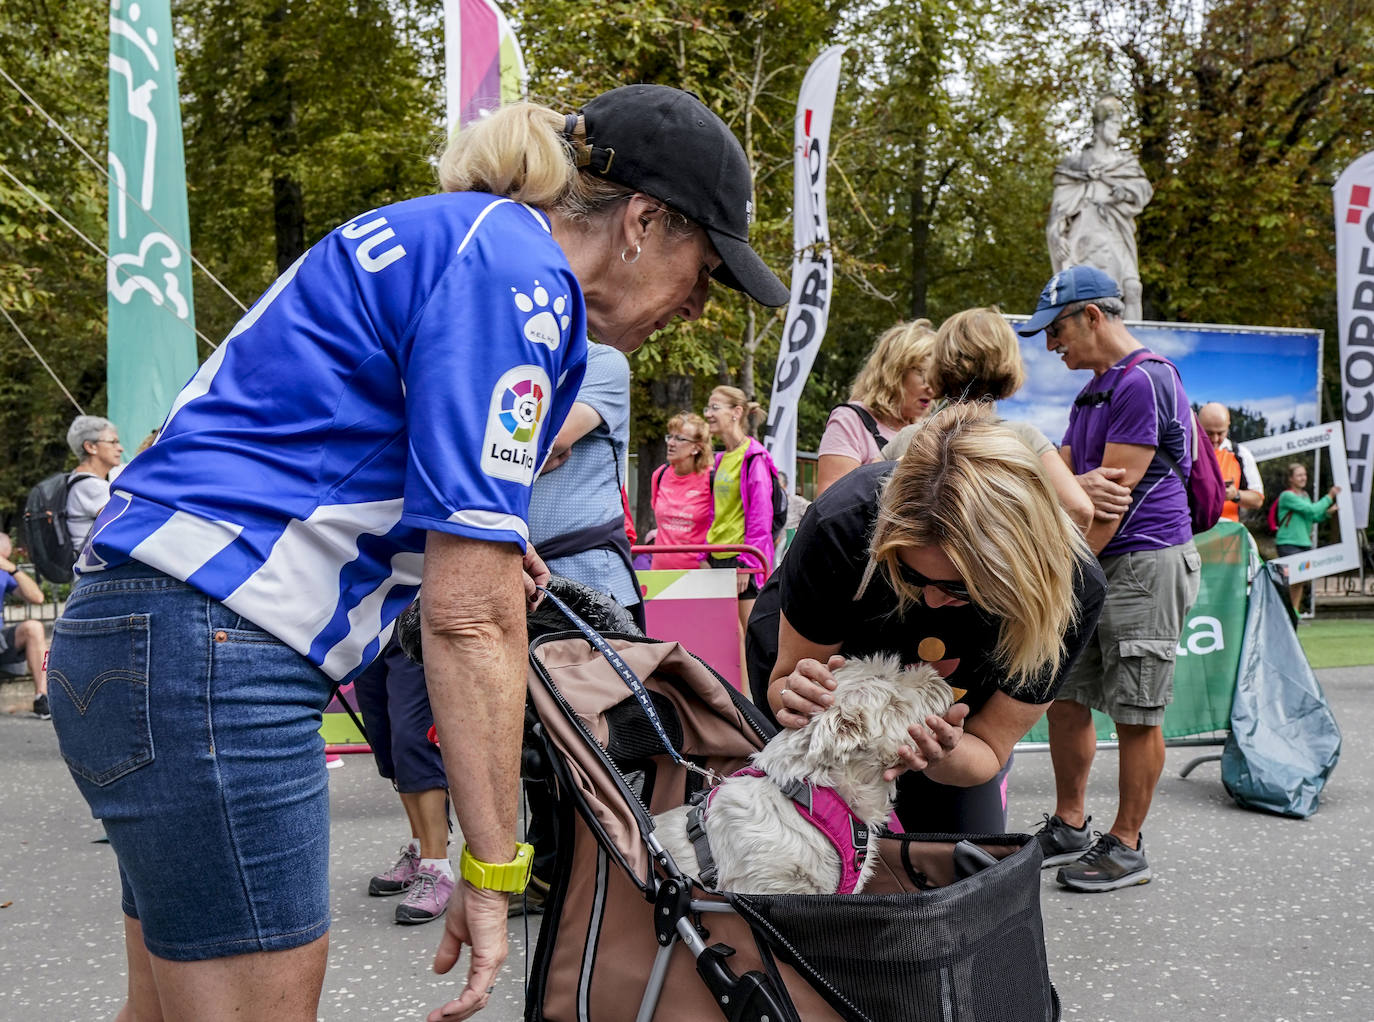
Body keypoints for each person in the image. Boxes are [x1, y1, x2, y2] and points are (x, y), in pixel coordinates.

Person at [47, 83, 787, 1022]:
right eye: (707, 270)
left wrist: (480, 538)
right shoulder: (521, 278)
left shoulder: (460, 235)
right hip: (213, 649)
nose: (695, 310)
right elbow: (470, 616)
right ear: (642, 222)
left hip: (141, 630)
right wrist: (491, 862)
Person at [746, 403, 1105, 834]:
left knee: (961, 868)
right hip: (840, 652)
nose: (932, 600)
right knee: (800, 848)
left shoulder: (1072, 587)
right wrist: (796, 695)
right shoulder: (842, 523)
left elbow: (988, 750)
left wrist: (944, 756)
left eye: (961, 588)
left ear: (1019, 572)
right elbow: (785, 683)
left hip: (953, 725)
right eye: (911, 575)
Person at [1016, 265, 1201, 893]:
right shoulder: (1094, 388)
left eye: (1057, 329)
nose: (1050, 344)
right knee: (1065, 696)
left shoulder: (1144, 381)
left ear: (1093, 316)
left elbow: (1108, 501)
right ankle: (1069, 825)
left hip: (1145, 561)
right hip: (1098, 561)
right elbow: (1063, 479)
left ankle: (1126, 843)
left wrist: (1064, 574)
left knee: (1136, 711)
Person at [889, 306, 1095, 532]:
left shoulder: (910, 439)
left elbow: (861, 507)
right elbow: (1079, 510)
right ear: (1009, 361)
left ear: (939, 361)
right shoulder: (1024, 438)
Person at [528, 340, 643, 630]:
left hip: (590, 579)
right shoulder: (512, 364)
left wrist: (499, 462)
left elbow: (558, 439)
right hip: (523, 581)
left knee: (600, 675)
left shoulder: (602, 360)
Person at [355, 634, 454, 925]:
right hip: (371, 618)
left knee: (414, 739)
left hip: (417, 612)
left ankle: (437, 868)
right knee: (388, 743)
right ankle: (420, 848)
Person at [1046, 95, 1153, 320]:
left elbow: (1143, 189)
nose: (1117, 130)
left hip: (1115, 231)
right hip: (1087, 234)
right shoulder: (1076, 165)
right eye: (1114, 124)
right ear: (1100, 125)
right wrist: (1057, 236)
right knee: (1089, 298)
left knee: (1132, 288)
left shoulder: (1124, 164)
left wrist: (1125, 192)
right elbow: (1059, 209)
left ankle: (1134, 346)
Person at [815, 320, 935, 496]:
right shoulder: (850, 420)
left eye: (936, 376)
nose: (931, 387)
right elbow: (830, 506)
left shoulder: (931, 429)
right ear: (894, 372)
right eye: (922, 374)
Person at [703, 385, 777, 631]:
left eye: (715, 407)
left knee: (751, 636)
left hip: (741, 559)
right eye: (707, 407)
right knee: (723, 638)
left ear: (736, 412)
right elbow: (716, 513)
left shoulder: (754, 456)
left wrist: (748, 562)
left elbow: (761, 515)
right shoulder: (720, 459)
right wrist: (704, 554)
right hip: (717, 558)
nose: (708, 414)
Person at [649, 412, 714, 570]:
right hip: (659, 574)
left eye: (679, 439)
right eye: (670, 437)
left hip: (697, 574)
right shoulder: (660, 475)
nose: (671, 443)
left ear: (696, 448)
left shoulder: (712, 478)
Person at [1275, 462, 1339, 614]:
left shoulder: (1305, 496)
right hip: (1288, 543)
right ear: (1291, 479)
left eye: (1304, 474)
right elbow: (1310, 509)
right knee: (1293, 579)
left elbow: (1313, 516)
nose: (1303, 478)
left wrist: (1327, 513)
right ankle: (1285, 612)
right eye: (1299, 475)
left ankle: (1294, 612)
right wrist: (1329, 496)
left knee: (1300, 580)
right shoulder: (1287, 496)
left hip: (1304, 543)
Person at [0, 531, 50, 719]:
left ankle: (41, 697)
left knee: (35, 628)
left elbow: (37, 597)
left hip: (2, 641)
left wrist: (12, 569)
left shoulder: (4, 573)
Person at [64, 415, 122, 555]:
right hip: (95, 572)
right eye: (113, 442)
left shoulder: (77, 479)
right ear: (90, 447)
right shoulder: (92, 486)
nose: (120, 448)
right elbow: (124, 522)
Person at [1197, 402, 1263, 523]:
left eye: (1220, 433)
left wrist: (1235, 495)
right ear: (1198, 426)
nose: (1215, 439)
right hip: (1192, 534)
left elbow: (1258, 499)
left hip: (1228, 533)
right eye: (1209, 433)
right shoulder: (1187, 452)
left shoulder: (1240, 454)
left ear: (1228, 425)